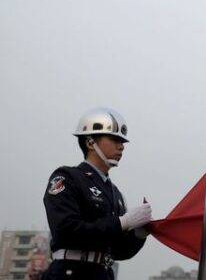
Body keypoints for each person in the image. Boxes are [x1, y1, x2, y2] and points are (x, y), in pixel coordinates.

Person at [43, 107, 152, 280]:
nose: (121, 146)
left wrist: (138, 234)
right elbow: (66, 230)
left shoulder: (116, 194)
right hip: (70, 272)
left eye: (122, 141)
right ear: (90, 142)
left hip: (102, 274)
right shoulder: (67, 177)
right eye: (114, 139)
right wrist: (122, 222)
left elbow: (117, 251)